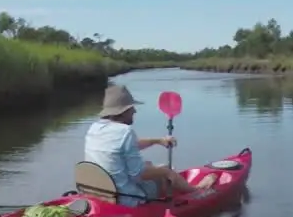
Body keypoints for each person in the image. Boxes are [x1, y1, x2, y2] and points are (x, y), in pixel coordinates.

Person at [84, 84, 214, 206]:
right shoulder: (125, 132)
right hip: (127, 199)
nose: (134, 111)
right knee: (165, 170)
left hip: (101, 192)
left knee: (149, 165)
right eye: (130, 108)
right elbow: (139, 175)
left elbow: (126, 147)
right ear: (123, 111)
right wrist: (166, 172)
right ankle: (195, 190)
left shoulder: (94, 128)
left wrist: (157, 141)